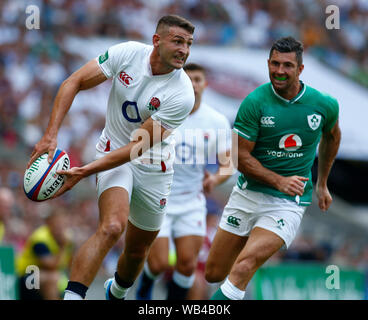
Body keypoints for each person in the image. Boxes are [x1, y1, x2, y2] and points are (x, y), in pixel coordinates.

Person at [27, 14, 195, 300]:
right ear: (157, 40)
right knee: (112, 227)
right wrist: (51, 134)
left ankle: (115, 292)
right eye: (177, 41)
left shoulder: (182, 93)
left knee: (137, 251)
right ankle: (73, 296)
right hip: (112, 150)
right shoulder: (127, 53)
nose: (184, 50)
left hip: (154, 167)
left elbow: (136, 148)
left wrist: (85, 171)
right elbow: (74, 81)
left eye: (189, 44)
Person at [205, 36, 341, 300]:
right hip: (247, 195)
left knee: (244, 267)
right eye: (275, 64)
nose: (280, 71)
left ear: (300, 69)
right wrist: (278, 179)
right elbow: (239, 157)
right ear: (268, 63)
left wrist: (322, 183)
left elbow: (332, 137)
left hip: (287, 203)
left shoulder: (324, 104)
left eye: (288, 65)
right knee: (213, 273)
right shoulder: (255, 102)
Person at [135, 63, 232, 300]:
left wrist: (216, 179)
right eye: (188, 79)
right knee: (158, 264)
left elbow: (229, 163)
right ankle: (144, 286)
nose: (194, 84)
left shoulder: (216, 120)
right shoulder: (163, 113)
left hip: (191, 201)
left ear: (205, 84)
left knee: (187, 265)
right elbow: (137, 148)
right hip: (159, 199)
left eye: (198, 79)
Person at [16, 207, 74, 299]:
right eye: (58, 224)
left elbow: (70, 265)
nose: (61, 227)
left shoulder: (66, 238)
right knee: (51, 279)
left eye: (63, 224)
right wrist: (63, 246)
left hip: (51, 275)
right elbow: (50, 266)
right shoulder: (40, 239)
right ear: (49, 223)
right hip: (24, 277)